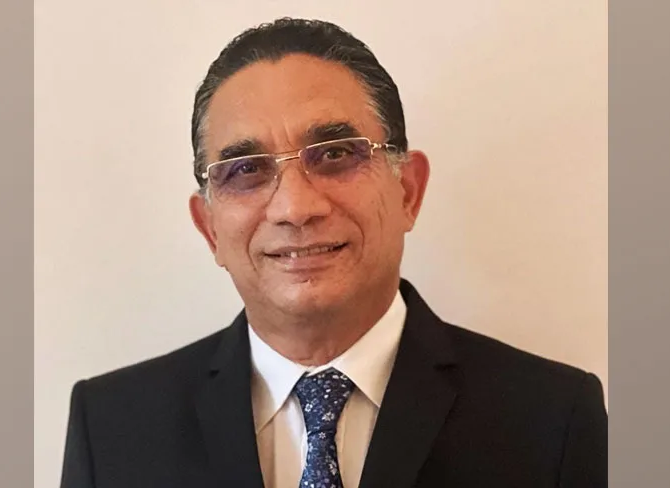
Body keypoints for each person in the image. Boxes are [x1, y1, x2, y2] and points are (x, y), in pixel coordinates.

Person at [60, 17, 607, 488]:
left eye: (336, 154)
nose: (295, 207)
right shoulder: (110, 429)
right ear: (209, 230)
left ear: (407, 191)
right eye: (246, 169)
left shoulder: (552, 420)